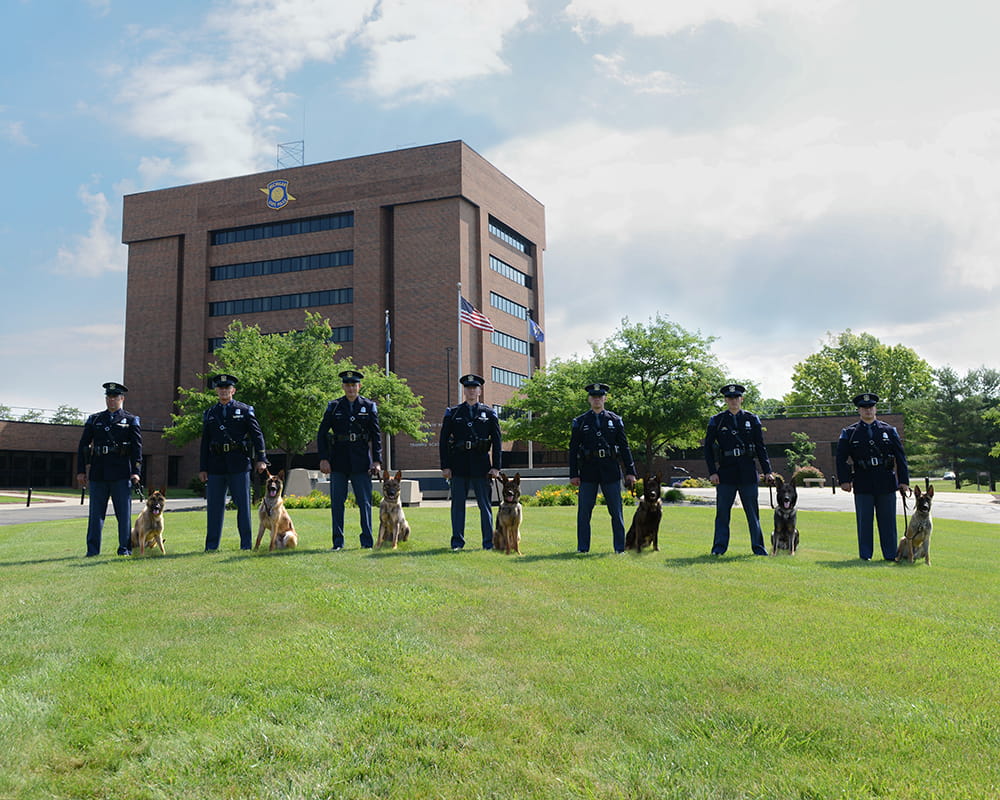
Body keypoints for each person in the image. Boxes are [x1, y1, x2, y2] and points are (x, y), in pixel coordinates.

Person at [836, 392, 909, 561]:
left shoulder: (889, 431)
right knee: (864, 522)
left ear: (875, 409)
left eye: (871, 407)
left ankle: (890, 555)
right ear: (859, 410)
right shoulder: (850, 432)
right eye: (864, 408)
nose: (868, 411)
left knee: (888, 522)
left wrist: (904, 481)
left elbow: (900, 457)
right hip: (863, 481)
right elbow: (840, 458)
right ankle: (865, 555)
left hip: (886, 481)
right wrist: (845, 480)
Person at [199, 374, 268, 551]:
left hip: (239, 464)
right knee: (214, 508)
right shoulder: (210, 413)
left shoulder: (244, 410)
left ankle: (246, 544)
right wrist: (203, 468)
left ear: (233, 390)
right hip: (215, 465)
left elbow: (257, 435)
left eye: (227, 388)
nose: (224, 391)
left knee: (243, 506)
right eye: (220, 388)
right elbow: (205, 442)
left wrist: (261, 459)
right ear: (216, 391)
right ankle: (211, 546)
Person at [704, 383, 774, 556]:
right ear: (726, 400)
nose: (733, 401)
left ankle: (759, 549)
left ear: (741, 399)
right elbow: (707, 448)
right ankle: (718, 549)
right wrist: (712, 471)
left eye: (736, 398)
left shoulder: (752, 419)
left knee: (752, 513)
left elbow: (760, 447)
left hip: (747, 471)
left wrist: (767, 471)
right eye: (730, 398)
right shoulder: (717, 420)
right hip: (725, 472)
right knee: (722, 514)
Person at [569, 382, 637, 554]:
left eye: (600, 397)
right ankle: (583, 548)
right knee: (584, 513)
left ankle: (619, 548)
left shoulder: (615, 420)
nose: (597, 399)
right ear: (589, 399)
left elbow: (624, 447)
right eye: (594, 397)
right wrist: (573, 474)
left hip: (610, 469)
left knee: (616, 511)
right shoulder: (580, 421)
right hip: (588, 470)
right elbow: (573, 449)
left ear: (605, 398)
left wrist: (630, 471)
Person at [317, 370, 382, 550]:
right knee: (337, 503)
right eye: (347, 385)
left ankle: (367, 541)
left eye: (354, 385)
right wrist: (323, 458)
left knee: (365, 503)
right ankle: (338, 542)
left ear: (359, 386)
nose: (351, 388)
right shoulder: (335, 406)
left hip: (361, 461)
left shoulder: (368, 406)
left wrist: (377, 461)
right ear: (343, 386)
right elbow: (322, 434)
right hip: (338, 460)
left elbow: (376, 436)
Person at [76, 382, 142, 556]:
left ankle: (125, 548)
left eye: (115, 397)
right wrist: (81, 470)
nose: (111, 400)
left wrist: (136, 472)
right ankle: (92, 550)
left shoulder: (130, 420)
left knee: (123, 515)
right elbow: (83, 446)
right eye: (109, 397)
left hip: (122, 473)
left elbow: (137, 449)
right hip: (98, 473)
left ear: (122, 399)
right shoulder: (95, 420)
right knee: (96, 515)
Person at [439, 374, 502, 551]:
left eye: (474, 388)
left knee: (485, 506)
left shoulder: (489, 413)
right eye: (468, 388)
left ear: (480, 391)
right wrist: (445, 466)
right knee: (458, 506)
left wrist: (496, 467)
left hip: (482, 466)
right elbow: (443, 441)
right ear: (464, 390)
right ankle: (457, 542)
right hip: (458, 465)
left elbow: (497, 441)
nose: (471, 391)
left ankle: (488, 543)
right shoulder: (453, 413)